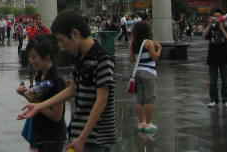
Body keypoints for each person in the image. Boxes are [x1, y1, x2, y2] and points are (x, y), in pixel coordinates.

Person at [19, 10, 116, 152]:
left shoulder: (102, 59)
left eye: (61, 40)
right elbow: (72, 89)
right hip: (80, 137)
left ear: (75, 34)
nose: (61, 46)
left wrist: (82, 138)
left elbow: (101, 101)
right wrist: (39, 106)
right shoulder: (80, 58)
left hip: (95, 140)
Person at [17, 36, 67, 152]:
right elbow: (36, 101)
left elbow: (56, 116)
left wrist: (38, 106)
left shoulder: (56, 80)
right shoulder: (40, 75)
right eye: (29, 57)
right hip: (39, 136)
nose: (31, 61)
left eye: (34, 57)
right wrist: (24, 93)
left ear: (47, 56)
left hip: (51, 140)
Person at [130, 21, 162, 134]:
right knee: (149, 99)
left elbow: (132, 60)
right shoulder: (149, 43)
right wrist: (159, 49)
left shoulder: (133, 43)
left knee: (140, 99)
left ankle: (141, 123)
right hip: (148, 73)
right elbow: (155, 58)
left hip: (137, 73)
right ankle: (148, 124)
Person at [204, 9, 227, 108]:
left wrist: (221, 27)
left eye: (218, 16)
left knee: (225, 81)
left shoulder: (226, 25)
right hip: (212, 57)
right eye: (215, 16)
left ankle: (226, 100)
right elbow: (204, 35)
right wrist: (209, 25)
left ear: (221, 17)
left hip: (224, 56)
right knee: (213, 81)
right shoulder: (211, 26)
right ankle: (213, 100)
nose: (216, 18)